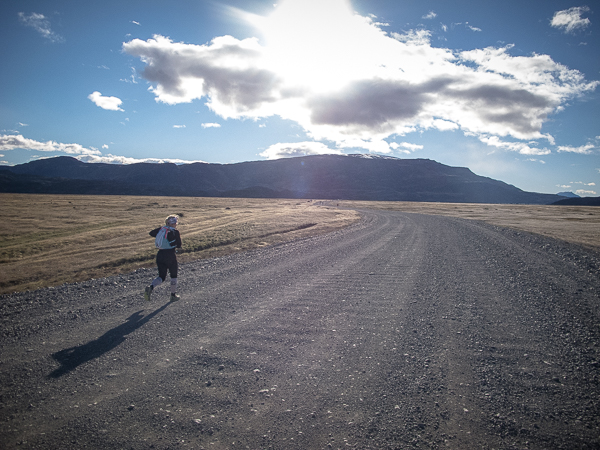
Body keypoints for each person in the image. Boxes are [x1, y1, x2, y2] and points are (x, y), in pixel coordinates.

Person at [144, 214, 182, 302]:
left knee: (161, 276)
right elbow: (179, 245)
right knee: (173, 275)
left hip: (160, 255)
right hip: (170, 255)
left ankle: (151, 287)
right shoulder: (175, 232)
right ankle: (173, 295)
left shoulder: (161, 230)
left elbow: (151, 233)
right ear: (174, 223)